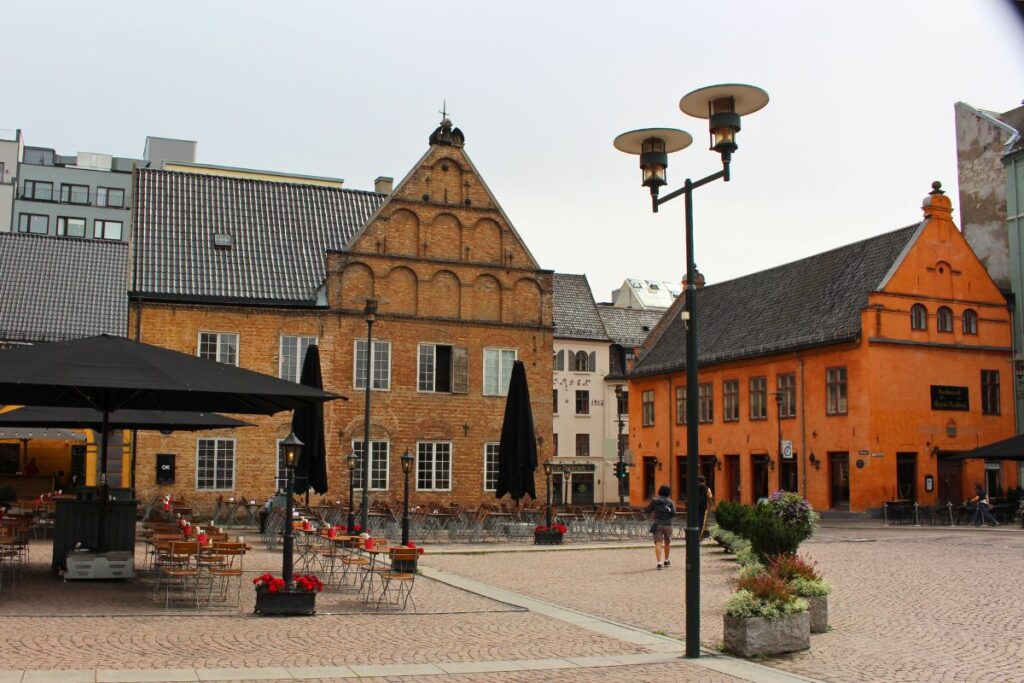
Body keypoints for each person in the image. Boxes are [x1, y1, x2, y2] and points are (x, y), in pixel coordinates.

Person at [645, 484, 677, 570]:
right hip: (668, 524)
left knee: (658, 543)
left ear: (660, 491)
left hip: (657, 524)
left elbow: (648, 510)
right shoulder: (670, 502)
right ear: (668, 493)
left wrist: (653, 515)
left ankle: (659, 563)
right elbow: (674, 513)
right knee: (667, 542)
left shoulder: (654, 501)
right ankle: (666, 560)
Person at [698, 475, 714, 539]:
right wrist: (711, 506)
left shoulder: (694, 487)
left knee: (695, 520)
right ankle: (699, 536)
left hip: (694, 507)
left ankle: (694, 535)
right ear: (705, 481)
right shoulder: (707, 488)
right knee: (701, 521)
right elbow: (709, 498)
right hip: (703, 507)